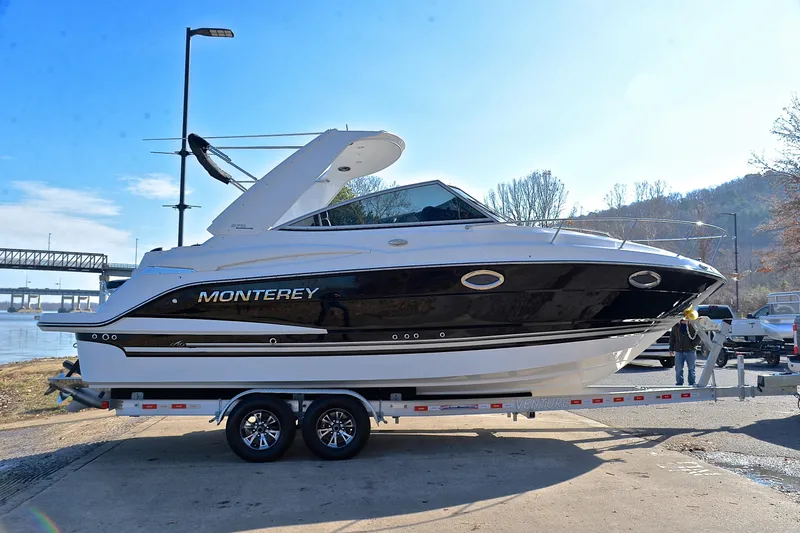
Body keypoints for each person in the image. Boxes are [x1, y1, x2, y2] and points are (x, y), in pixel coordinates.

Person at [669, 318, 700, 386]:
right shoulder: (675, 326)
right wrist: (671, 349)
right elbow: (672, 338)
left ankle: (692, 383)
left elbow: (699, 336)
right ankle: (679, 383)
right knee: (678, 369)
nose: (684, 319)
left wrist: (693, 345)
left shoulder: (693, 325)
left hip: (690, 350)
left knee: (691, 369)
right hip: (679, 351)